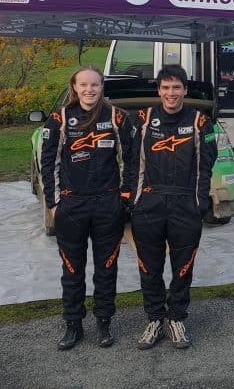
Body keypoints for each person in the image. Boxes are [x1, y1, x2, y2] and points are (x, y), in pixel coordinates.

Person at [40, 65, 137, 350]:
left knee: (106, 269)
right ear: (74, 87)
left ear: (102, 86)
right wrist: (54, 204)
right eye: (83, 85)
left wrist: (124, 199)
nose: (89, 90)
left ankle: (104, 322)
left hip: (108, 204)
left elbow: (131, 161)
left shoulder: (117, 117)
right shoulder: (59, 118)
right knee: (72, 270)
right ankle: (73, 325)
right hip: (72, 205)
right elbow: (48, 164)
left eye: (94, 84)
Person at [131, 65, 217, 350]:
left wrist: (200, 203)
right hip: (149, 203)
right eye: (166, 87)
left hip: (185, 204)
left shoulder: (200, 122)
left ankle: (177, 318)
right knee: (150, 268)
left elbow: (206, 166)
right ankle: (155, 319)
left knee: (183, 267)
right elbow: (132, 164)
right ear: (159, 90)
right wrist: (133, 201)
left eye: (176, 87)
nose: (171, 93)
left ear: (185, 90)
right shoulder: (143, 118)